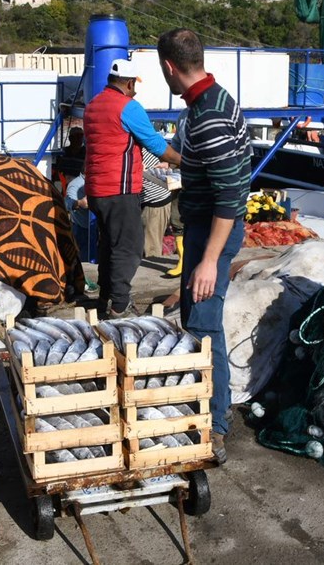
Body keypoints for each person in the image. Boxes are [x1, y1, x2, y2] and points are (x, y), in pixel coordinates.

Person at [157, 28, 251, 464]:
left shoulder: (208, 115)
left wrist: (209, 261)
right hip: (204, 227)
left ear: (169, 67)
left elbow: (230, 195)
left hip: (214, 230)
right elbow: (191, 157)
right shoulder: (208, 104)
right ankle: (204, 411)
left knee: (205, 322)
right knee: (196, 318)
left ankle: (214, 425)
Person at [84, 58, 180, 319]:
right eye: (134, 85)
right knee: (129, 248)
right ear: (128, 83)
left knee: (108, 247)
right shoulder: (129, 107)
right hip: (120, 190)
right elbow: (156, 145)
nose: (135, 90)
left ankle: (105, 299)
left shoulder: (92, 107)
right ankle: (119, 306)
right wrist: (186, 161)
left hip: (96, 190)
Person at [141, 150, 172, 259]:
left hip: (155, 201)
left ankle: (150, 273)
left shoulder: (138, 146)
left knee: (151, 249)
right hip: (148, 200)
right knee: (147, 244)